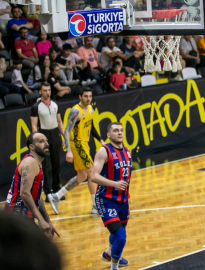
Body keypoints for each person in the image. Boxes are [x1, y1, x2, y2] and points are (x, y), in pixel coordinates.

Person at [48, 87, 105, 215]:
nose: (88, 98)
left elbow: (91, 126)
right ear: (80, 97)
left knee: (82, 176)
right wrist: (68, 150)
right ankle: (95, 206)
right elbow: (67, 131)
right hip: (76, 145)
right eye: (85, 96)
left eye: (90, 96)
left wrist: (100, 139)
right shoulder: (75, 111)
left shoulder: (90, 108)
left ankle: (56, 196)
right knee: (91, 172)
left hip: (84, 144)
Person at [4, 132, 59, 240]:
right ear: (31, 147)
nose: (46, 143)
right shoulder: (30, 162)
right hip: (17, 216)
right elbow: (24, 193)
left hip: (22, 216)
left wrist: (47, 220)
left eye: (46, 140)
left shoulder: (37, 163)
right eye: (41, 141)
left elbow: (37, 198)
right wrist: (41, 220)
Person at [91, 122, 130, 269]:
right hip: (106, 199)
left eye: (121, 130)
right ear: (108, 135)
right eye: (115, 130)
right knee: (120, 236)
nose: (119, 133)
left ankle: (108, 254)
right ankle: (114, 266)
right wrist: (114, 184)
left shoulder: (126, 151)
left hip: (123, 200)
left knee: (118, 231)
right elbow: (93, 176)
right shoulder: (103, 151)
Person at [30, 82, 66, 201]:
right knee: (45, 166)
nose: (47, 92)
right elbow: (34, 126)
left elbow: (59, 121)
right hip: (43, 135)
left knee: (56, 164)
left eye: (49, 90)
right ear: (40, 92)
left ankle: (56, 190)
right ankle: (47, 193)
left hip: (55, 134)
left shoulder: (55, 104)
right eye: (45, 90)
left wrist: (64, 136)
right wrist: (37, 141)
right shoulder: (36, 107)